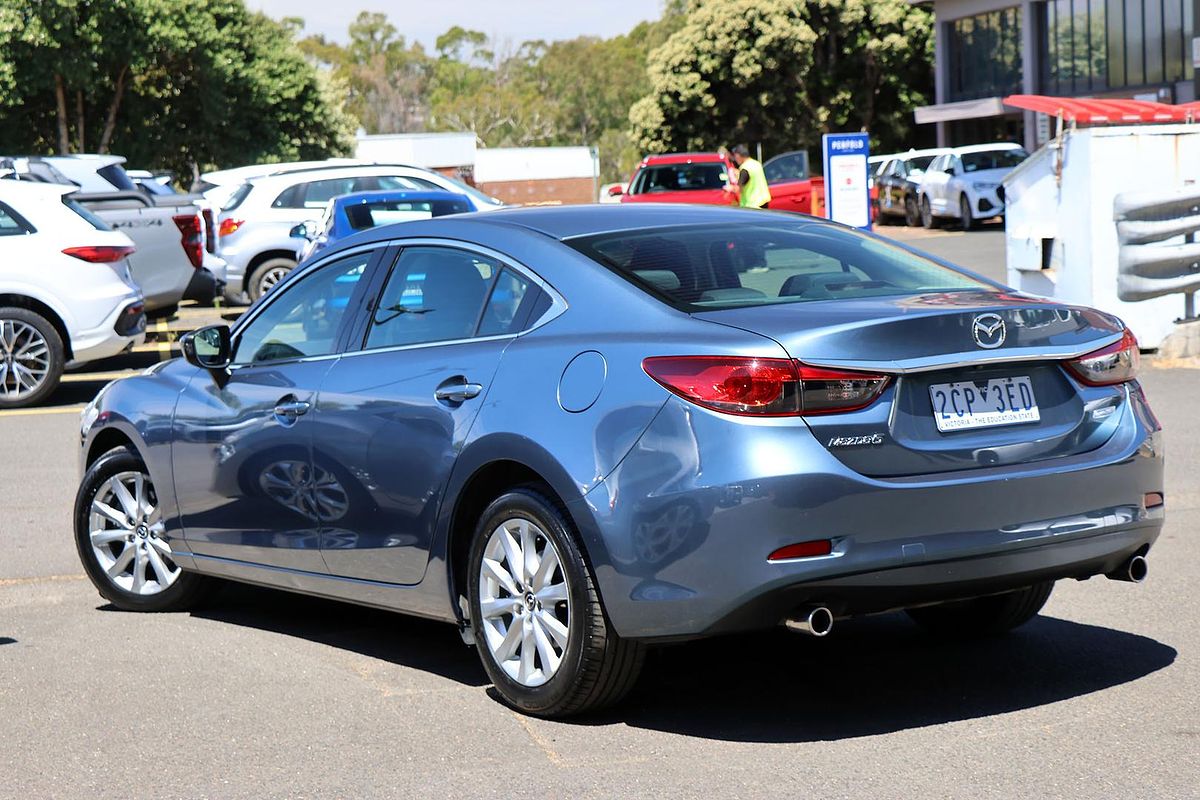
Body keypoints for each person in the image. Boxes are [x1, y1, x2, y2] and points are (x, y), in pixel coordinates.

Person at [724, 144, 772, 209]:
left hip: (752, 205)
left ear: (738, 155)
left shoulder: (744, 168)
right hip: (763, 201)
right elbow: (752, 179)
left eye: (735, 156)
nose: (735, 159)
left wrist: (730, 188)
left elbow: (738, 189)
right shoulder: (756, 164)